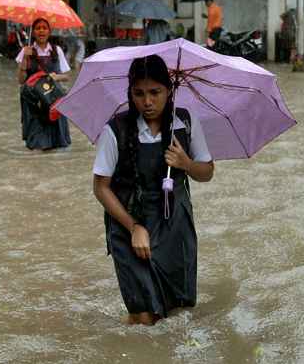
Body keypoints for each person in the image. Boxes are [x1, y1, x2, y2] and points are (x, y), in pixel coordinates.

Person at [92, 55, 214, 325]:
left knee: (175, 315)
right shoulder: (116, 131)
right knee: (144, 316)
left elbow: (207, 172)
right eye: (139, 93)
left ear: (169, 91)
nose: (147, 102)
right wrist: (134, 227)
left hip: (175, 227)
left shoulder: (185, 122)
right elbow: (100, 188)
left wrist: (186, 163)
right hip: (129, 226)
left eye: (155, 92)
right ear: (130, 93)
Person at [16, 17, 72, 150]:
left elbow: (67, 76)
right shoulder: (26, 51)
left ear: (49, 31)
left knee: (57, 144)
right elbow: (21, 80)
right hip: (34, 102)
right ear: (33, 32)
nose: (41, 31)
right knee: (37, 146)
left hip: (53, 100)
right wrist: (25, 58)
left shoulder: (56, 50)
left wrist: (56, 77)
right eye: (38, 28)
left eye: (44, 28)